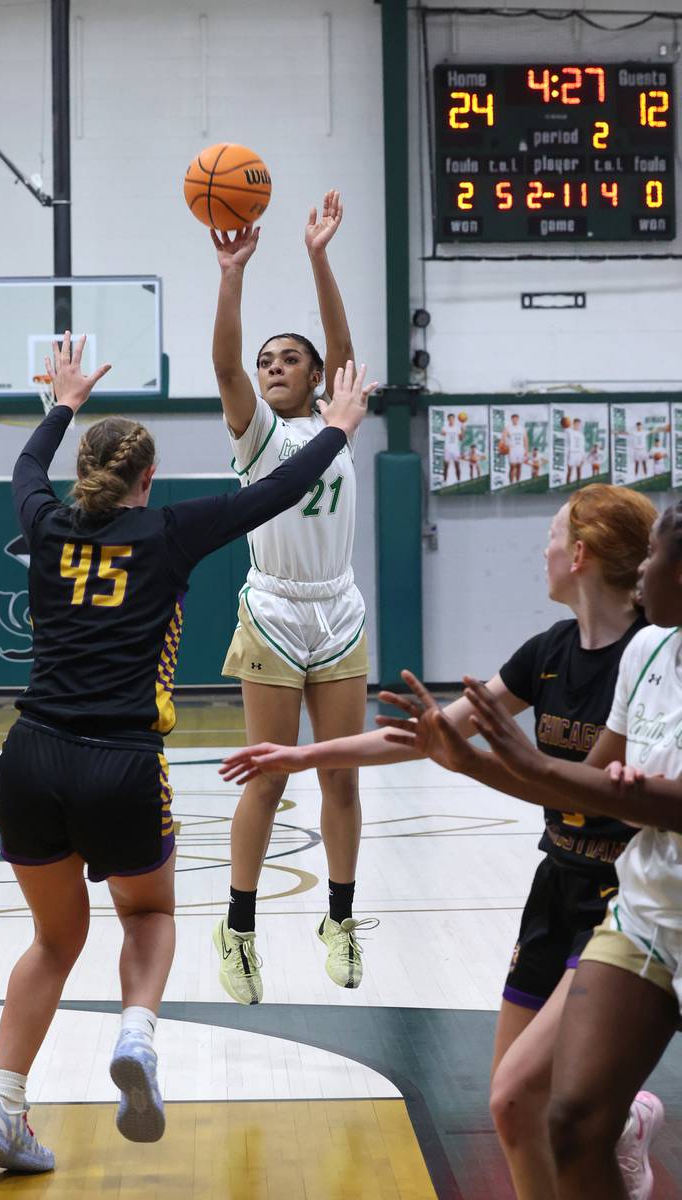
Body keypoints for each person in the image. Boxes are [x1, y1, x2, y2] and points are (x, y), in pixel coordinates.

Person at [0, 332, 372, 1173]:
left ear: (86, 472)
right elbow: (282, 488)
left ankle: (3, 1103)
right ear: (148, 479)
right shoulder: (170, 533)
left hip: (29, 757)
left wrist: (64, 403)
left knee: (51, 940)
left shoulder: (42, 523)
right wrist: (337, 427)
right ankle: (138, 1038)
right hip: (119, 762)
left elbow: (23, 473)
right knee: (147, 915)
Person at [221, 484, 661, 1200]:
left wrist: (494, 761)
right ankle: (626, 1120)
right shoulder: (546, 654)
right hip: (558, 886)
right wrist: (304, 754)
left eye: (552, 536)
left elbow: (567, 783)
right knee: (513, 1108)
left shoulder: (650, 661)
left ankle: (619, 1121)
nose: (542, 550)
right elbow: (429, 735)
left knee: (524, 1097)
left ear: (578, 554)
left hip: (628, 901)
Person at [398, 498, 682, 1200]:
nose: (646, 565)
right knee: (527, 1102)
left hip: (615, 886)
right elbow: (592, 789)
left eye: (662, 551)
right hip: (645, 910)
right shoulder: (648, 653)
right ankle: (621, 1127)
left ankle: (630, 1123)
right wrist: (470, 761)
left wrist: (530, 764)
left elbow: (599, 789)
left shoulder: (628, 641)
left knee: (566, 1109)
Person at [208, 190, 376, 1005]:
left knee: (341, 777)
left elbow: (344, 345)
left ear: (318, 379)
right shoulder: (257, 436)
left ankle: (339, 920)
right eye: (268, 360)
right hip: (273, 609)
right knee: (268, 780)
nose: (273, 367)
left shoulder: (339, 420)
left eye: (289, 360)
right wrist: (232, 276)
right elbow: (224, 366)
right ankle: (238, 930)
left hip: (338, 610)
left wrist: (317, 257)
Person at [503, 412, 528, 484]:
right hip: (512, 449)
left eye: (516, 419)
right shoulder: (508, 428)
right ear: (511, 419)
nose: (515, 420)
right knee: (512, 466)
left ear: (518, 419)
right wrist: (507, 445)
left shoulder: (522, 428)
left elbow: (525, 439)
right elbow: (503, 438)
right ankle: (511, 483)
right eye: (513, 419)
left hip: (520, 449)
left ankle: (518, 482)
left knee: (519, 466)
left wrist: (526, 450)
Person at [442, 412, 463, 482]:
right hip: (447, 449)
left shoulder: (457, 428)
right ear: (448, 420)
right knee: (445, 466)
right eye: (450, 419)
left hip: (455, 449)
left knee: (457, 465)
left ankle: (459, 481)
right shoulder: (445, 427)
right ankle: (444, 481)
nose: (451, 420)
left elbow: (461, 438)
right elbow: (442, 433)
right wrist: (444, 430)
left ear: (454, 419)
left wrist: (462, 431)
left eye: (452, 419)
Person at [565, 417, 585, 485]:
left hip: (579, 453)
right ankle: (567, 484)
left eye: (579, 424)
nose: (577, 425)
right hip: (572, 453)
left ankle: (578, 483)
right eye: (576, 424)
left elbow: (582, 446)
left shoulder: (581, 435)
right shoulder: (569, 431)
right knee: (570, 470)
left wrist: (583, 456)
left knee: (579, 469)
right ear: (573, 424)